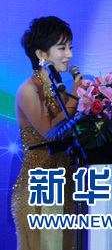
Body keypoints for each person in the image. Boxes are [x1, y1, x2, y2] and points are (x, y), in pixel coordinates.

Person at [12, 16, 85, 250]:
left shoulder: (57, 88)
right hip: (39, 187)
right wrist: (76, 96)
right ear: (41, 54)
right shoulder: (28, 89)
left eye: (70, 47)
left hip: (65, 185)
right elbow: (49, 132)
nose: (69, 54)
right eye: (62, 48)